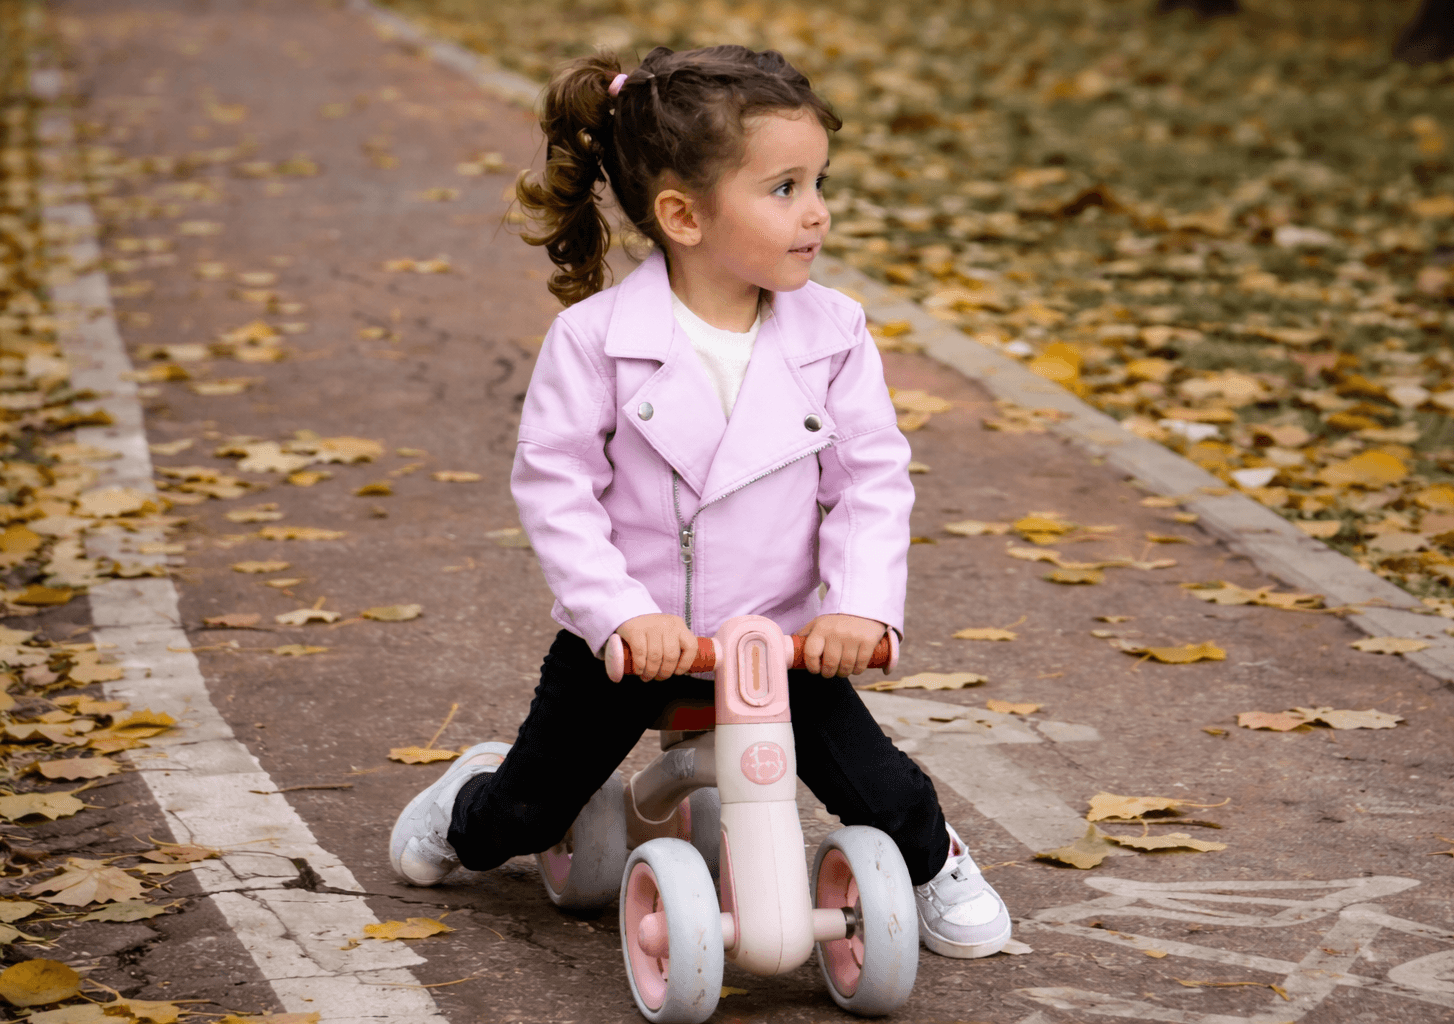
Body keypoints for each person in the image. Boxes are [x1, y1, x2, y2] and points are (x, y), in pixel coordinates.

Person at [389, 44, 1012, 960]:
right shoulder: (596, 340)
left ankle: (932, 864)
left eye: (818, 182)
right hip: (639, 644)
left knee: (888, 792)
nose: (818, 211)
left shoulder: (832, 332)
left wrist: (858, 607)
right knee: (526, 813)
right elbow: (558, 487)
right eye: (784, 188)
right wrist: (620, 615)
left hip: (779, 640)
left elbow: (871, 479)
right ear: (682, 214)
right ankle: (464, 802)